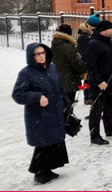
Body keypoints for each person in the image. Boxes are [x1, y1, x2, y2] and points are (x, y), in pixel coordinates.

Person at [12, 43, 70, 184]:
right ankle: (39, 173)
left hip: (55, 111)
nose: (41, 56)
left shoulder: (52, 68)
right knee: (43, 144)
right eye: (37, 54)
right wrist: (37, 97)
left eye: (42, 52)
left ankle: (47, 170)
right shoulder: (26, 73)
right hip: (39, 115)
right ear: (31, 56)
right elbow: (17, 94)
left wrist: (66, 104)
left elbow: (59, 88)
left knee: (53, 142)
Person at [84, 20, 112, 145]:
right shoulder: (93, 43)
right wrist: (99, 81)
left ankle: (110, 129)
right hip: (100, 84)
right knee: (97, 110)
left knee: (109, 107)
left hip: (111, 81)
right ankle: (95, 135)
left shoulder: (109, 42)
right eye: (111, 28)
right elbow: (90, 65)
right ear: (103, 30)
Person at [50, 24, 85, 120]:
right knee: (68, 103)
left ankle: (62, 120)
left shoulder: (54, 44)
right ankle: (66, 122)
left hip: (58, 78)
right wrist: (84, 69)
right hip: (69, 80)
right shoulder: (68, 47)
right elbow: (76, 63)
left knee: (61, 102)